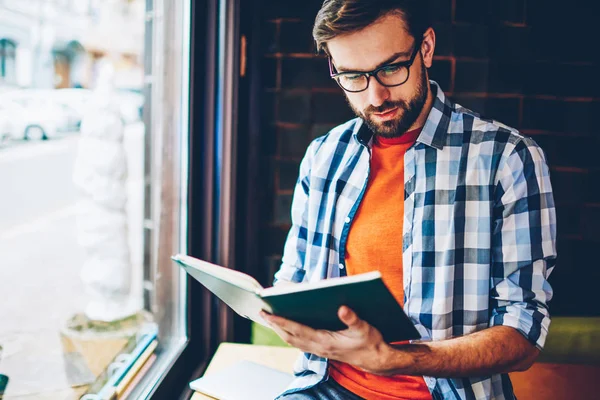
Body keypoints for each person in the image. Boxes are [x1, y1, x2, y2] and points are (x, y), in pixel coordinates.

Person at [259, 1, 557, 399]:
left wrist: (398, 360)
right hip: (323, 387)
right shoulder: (323, 156)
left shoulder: (507, 159)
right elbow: (292, 284)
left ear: (427, 48)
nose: (376, 95)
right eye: (352, 76)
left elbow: (523, 337)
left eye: (391, 68)